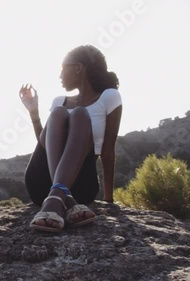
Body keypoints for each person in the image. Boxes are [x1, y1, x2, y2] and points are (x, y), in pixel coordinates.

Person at [19, 44, 122, 232]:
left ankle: (56, 198)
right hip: (42, 182)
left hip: (82, 184)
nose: (59, 76)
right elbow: (47, 146)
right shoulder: (59, 101)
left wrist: (109, 201)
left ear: (78, 68)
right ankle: (62, 196)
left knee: (80, 115)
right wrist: (34, 113)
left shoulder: (110, 97)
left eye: (62, 69)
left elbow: (108, 151)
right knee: (59, 113)